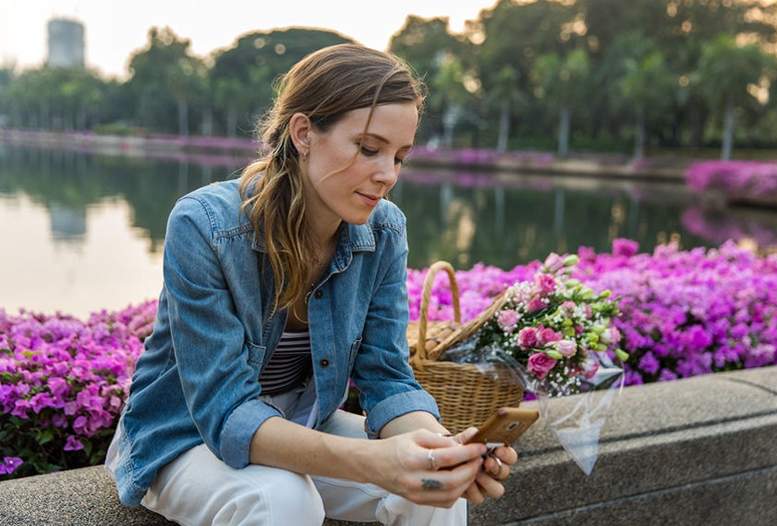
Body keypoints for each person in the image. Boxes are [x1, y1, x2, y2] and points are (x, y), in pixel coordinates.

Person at [104, 43, 518, 526]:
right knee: (279, 499)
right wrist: (377, 462)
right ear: (303, 133)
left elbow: (387, 377)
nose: (387, 175)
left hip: (303, 419)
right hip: (183, 436)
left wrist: (441, 453)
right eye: (368, 148)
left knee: (436, 493)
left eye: (400, 156)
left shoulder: (385, 230)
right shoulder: (204, 226)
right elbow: (225, 413)